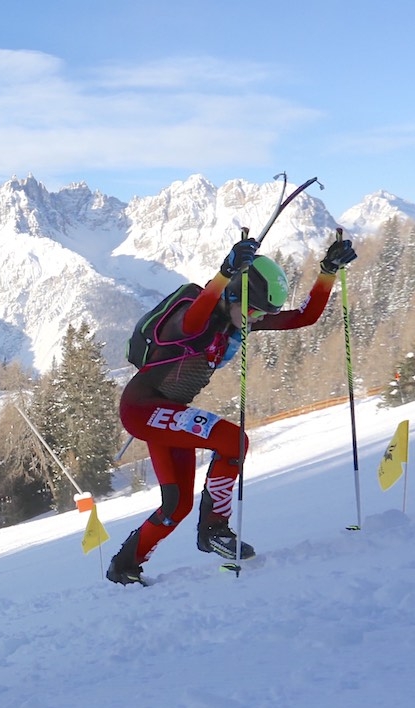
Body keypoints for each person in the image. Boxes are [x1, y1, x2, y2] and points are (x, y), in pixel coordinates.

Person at [107, 235, 358, 585]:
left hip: (167, 412)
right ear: (232, 296)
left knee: (175, 506)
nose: (256, 319)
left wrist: (328, 271)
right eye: (253, 310)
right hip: (141, 407)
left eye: (261, 314)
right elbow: (196, 317)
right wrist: (225, 273)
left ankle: (122, 567)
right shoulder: (197, 320)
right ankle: (214, 529)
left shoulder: (237, 321)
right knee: (231, 440)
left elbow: (305, 317)